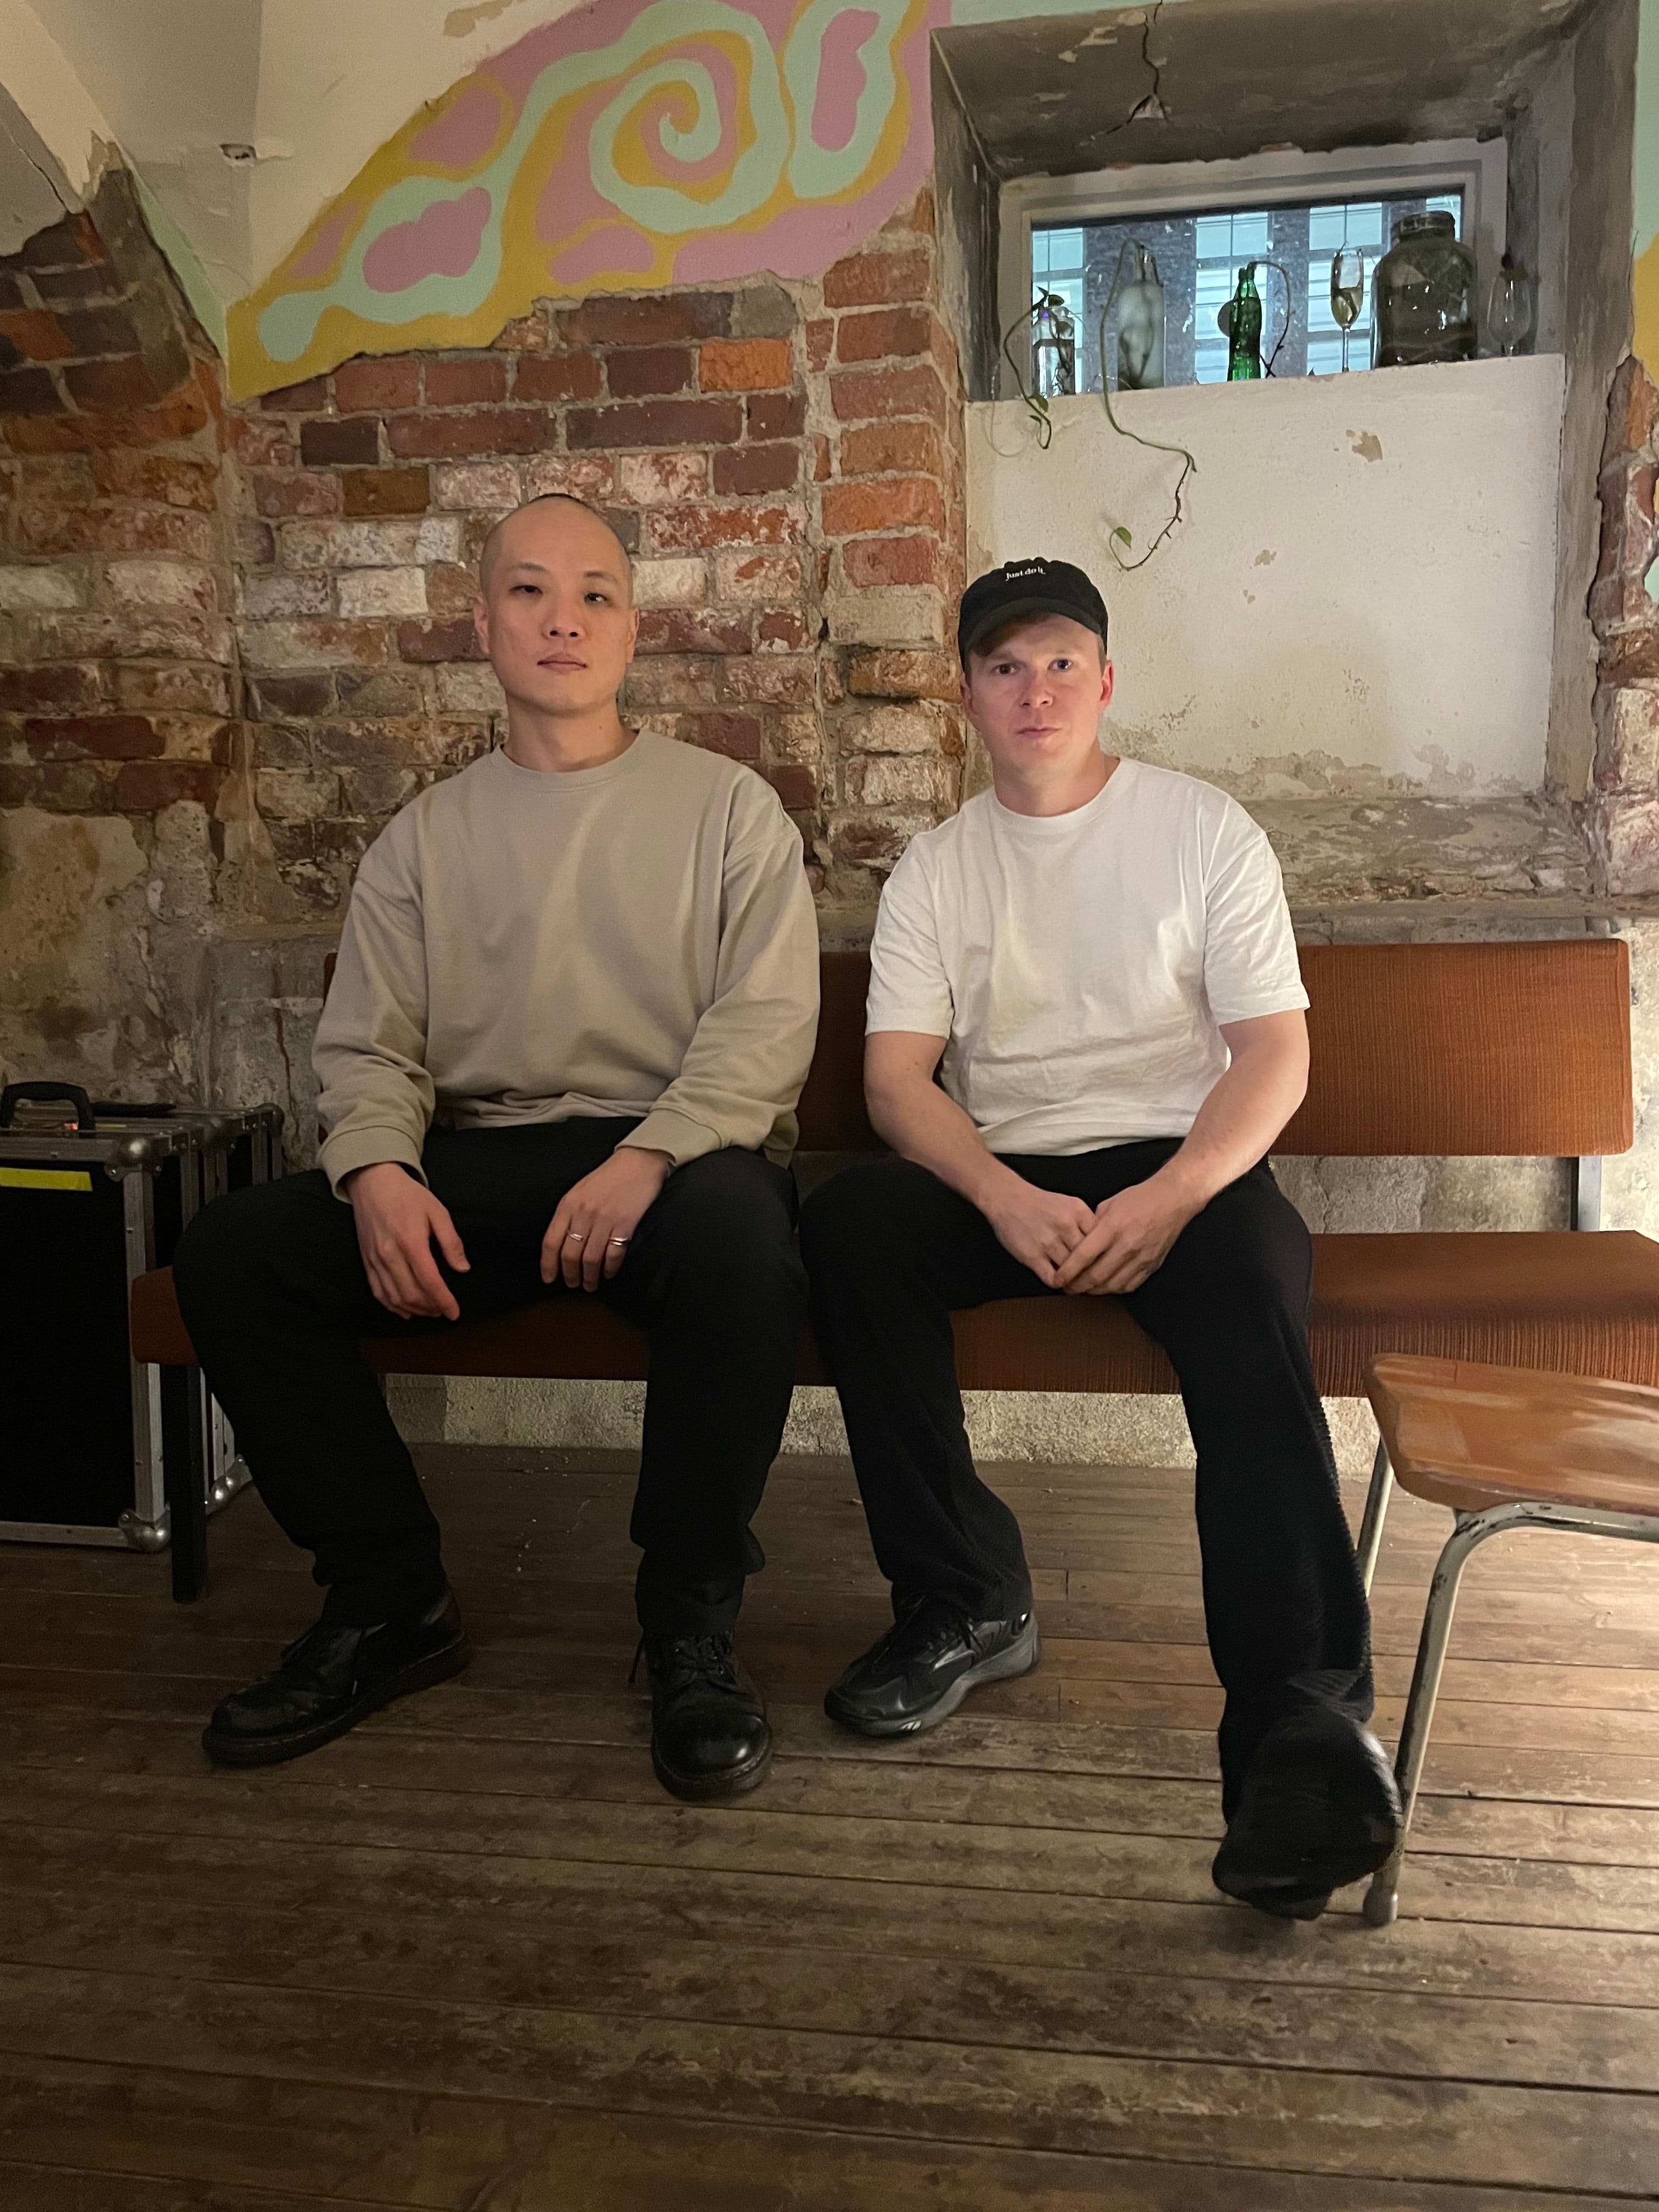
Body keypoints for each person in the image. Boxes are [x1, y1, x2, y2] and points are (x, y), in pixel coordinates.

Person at [173, 493, 820, 1803]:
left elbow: (765, 1029)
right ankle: (389, 1599)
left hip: (672, 1166)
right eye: (529, 591)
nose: (562, 620)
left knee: (747, 1237)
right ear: (482, 623)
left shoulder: (727, 810)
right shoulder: (423, 839)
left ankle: (688, 1623)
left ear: (633, 628)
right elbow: (369, 1046)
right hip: (486, 1166)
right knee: (237, 1252)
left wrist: (651, 1156)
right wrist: (377, 1171)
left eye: (594, 594)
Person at [799, 556, 1400, 1919]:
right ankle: (964, 1597)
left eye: (1062, 662)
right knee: (851, 1229)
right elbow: (898, 1084)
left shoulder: (1201, 829)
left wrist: (1175, 1195)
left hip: (1182, 1169)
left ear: (1108, 680)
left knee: (1255, 1290)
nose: (1037, 690)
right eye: (1006, 667)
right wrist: (1000, 1196)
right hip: (1011, 1173)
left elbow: (1274, 1056)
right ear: (967, 697)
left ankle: (1298, 1732)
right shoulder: (938, 868)